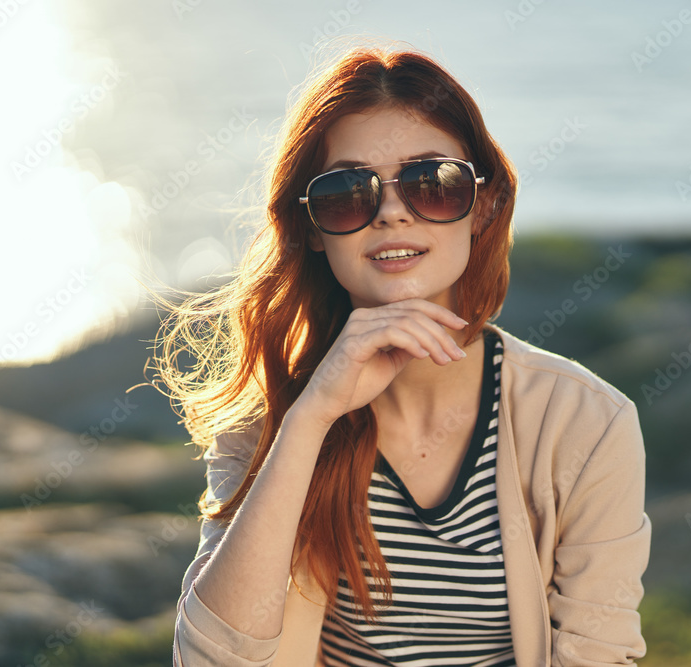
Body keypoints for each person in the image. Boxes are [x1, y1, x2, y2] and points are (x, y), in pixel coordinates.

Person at [160, 46, 651, 666]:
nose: (392, 211)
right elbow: (210, 661)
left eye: (432, 183)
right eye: (346, 192)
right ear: (311, 226)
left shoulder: (587, 422)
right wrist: (311, 419)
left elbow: (597, 657)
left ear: (485, 205)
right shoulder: (274, 422)